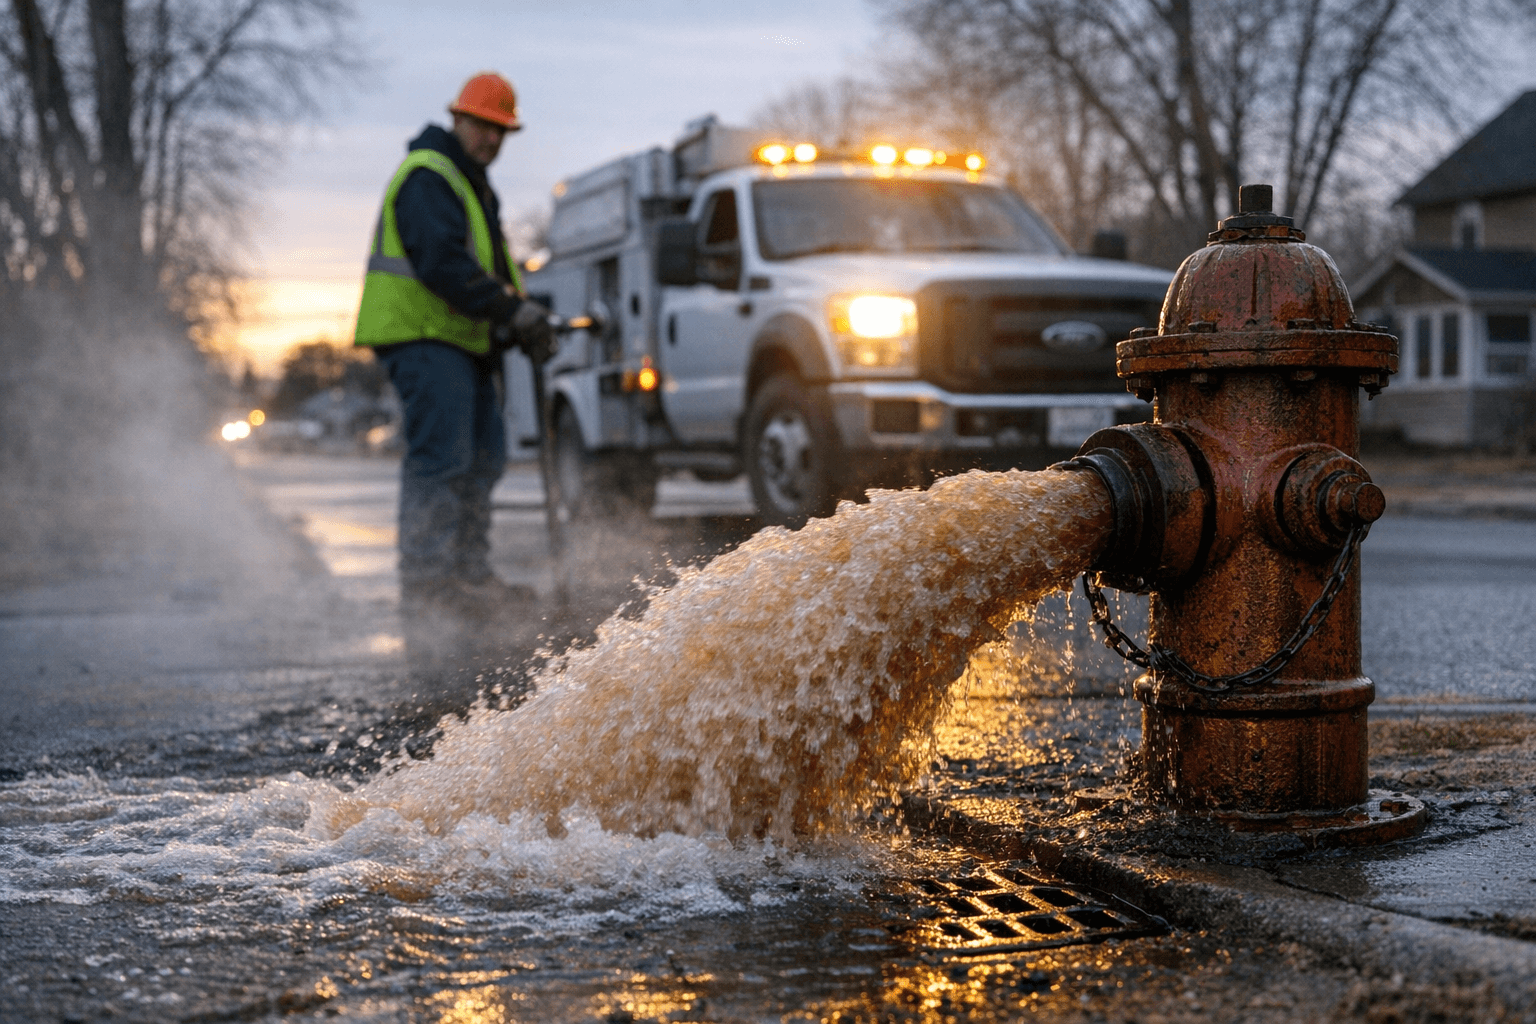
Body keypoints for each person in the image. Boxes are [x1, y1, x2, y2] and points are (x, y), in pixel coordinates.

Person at [354, 72, 554, 620]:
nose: (492, 140)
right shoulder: (430, 175)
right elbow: (443, 264)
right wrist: (513, 312)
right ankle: (428, 584)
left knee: (484, 458)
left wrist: (517, 317)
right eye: (484, 126)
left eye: (501, 132)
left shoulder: (470, 184)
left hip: (459, 341)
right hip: (421, 336)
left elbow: (486, 270)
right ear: (458, 119)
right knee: (442, 461)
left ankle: (467, 576)